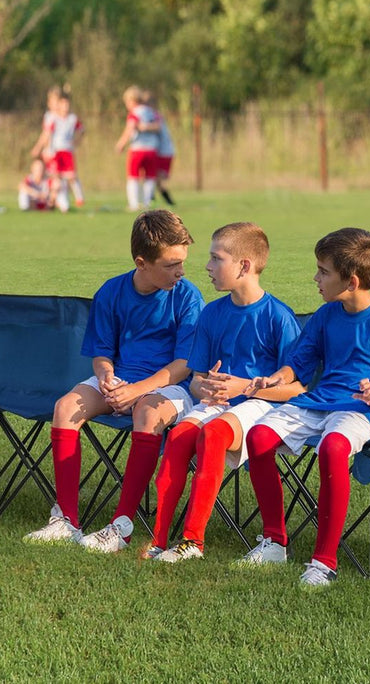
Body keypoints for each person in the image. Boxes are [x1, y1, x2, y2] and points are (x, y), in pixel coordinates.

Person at [237, 227, 370, 586]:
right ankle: (274, 542)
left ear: (352, 281)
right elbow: (299, 363)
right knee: (259, 436)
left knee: (333, 447)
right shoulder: (326, 315)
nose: (316, 278)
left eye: (323, 271)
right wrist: (276, 379)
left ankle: (323, 562)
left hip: (362, 409)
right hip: (320, 401)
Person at [24, 209, 205, 553]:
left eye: (183, 262)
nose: (180, 271)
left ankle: (120, 527)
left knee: (148, 413)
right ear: (142, 262)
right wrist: (107, 376)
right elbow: (102, 352)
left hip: (171, 386)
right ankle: (66, 520)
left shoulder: (187, 296)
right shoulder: (111, 291)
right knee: (65, 408)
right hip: (121, 380)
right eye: (170, 264)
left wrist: (137, 391)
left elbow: (185, 364)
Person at [149, 222, 303, 562]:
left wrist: (246, 387)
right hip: (216, 403)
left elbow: (297, 389)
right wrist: (203, 386)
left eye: (216, 259)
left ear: (244, 266)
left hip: (261, 404)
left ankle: (193, 541)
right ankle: (158, 539)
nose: (207, 267)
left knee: (214, 435)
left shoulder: (279, 317)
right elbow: (195, 378)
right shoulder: (212, 313)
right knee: (178, 438)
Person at [115, 85, 159, 212]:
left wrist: (121, 144)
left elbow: (130, 129)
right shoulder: (151, 112)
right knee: (150, 177)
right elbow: (158, 126)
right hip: (151, 149)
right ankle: (146, 203)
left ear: (132, 100)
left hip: (137, 150)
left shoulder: (134, 113)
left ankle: (133, 204)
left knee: (133, 177)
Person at [141, 90, 176, 206]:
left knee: (157, 179)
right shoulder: (152, 114)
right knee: (153, 177)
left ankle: (166, 201)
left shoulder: (154, 115)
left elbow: (156, 127)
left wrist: (143, 127)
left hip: (163, 152)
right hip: (161, 151)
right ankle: (152, 199)